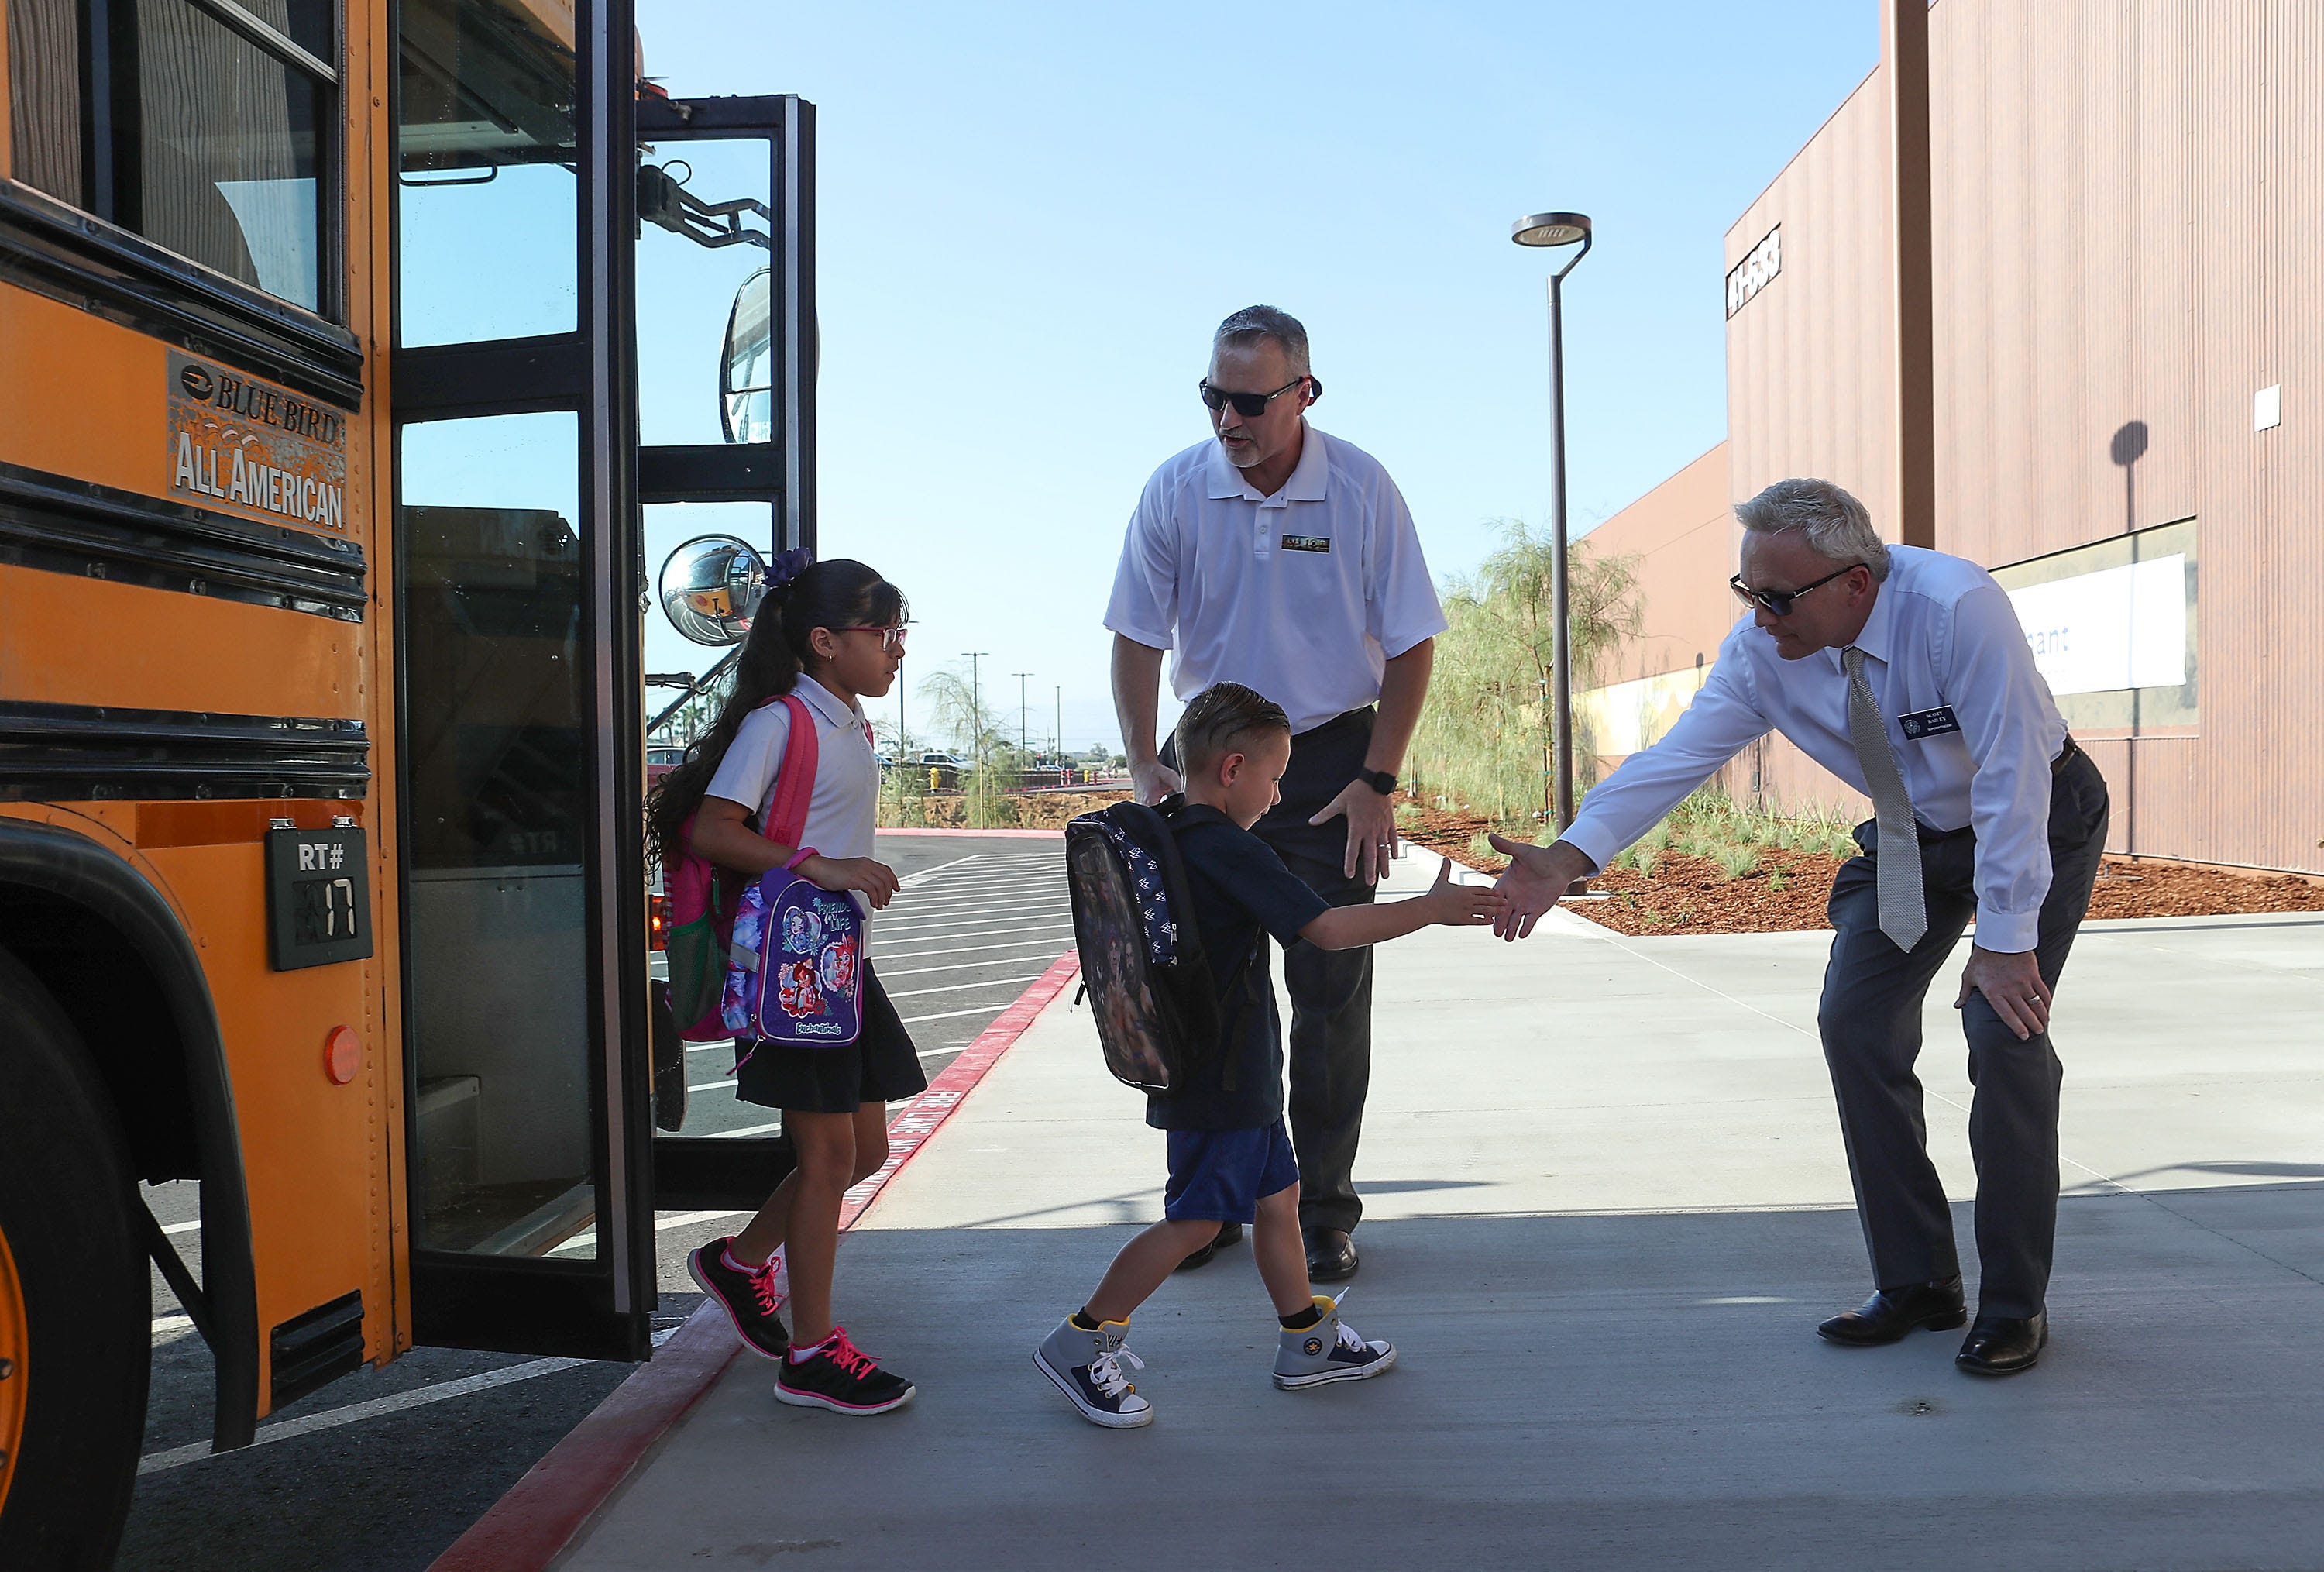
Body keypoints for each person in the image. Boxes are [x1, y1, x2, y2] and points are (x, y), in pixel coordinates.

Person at [1491, 478, 2109, 1378]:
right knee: (1855, 1023)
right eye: (1748, 592)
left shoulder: (1958, 609)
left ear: (1856, 583)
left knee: (2003, 1033)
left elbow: (2013, 772)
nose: (1760, 615)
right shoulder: (1760, 654)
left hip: (2036, 814)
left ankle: (2015, 1305)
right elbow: (1679, 758)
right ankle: (1919, 1282)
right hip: (1909, 838)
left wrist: (2005, 941)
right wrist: (1567, 855)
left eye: (1778, 597)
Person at [1035, 683, 1505, 1427]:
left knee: (1278, 1200)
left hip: (1226, 1067)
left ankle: (1306, 1340)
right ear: (1231, 769)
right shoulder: (1229, 846)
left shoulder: (1174, 831)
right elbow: (1323, 928)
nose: (1280, 792)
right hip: (1223, 1076)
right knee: (1194, 1219)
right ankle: (1081, 1340)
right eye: (1275, 774)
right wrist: (1431, 909)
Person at [1106, 305, 1446, 1284]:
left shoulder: (1362, 488)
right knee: (1198, 995)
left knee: (1331, 993)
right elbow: (1137, 634)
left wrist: (1376, 778)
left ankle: (1322, 1212)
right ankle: (1208, 1206)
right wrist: (1144, 763)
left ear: (1304, 393)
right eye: (1214, 395)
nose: (1229, 418)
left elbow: (1415, 641)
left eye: (1251, 400)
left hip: (1332, 760)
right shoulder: (1176, 489)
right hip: (1203, 761)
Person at [647, 553, 922, 1416]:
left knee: (865, 1151)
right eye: (883, 633)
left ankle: (737, 1264)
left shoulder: (845, 720)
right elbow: (712, 828)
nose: (898, 649)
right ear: (825, 641)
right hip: (791, 975)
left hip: (843, 966)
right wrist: (822, 865)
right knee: (830, 1157)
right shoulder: (780, 722)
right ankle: (810, 1353)